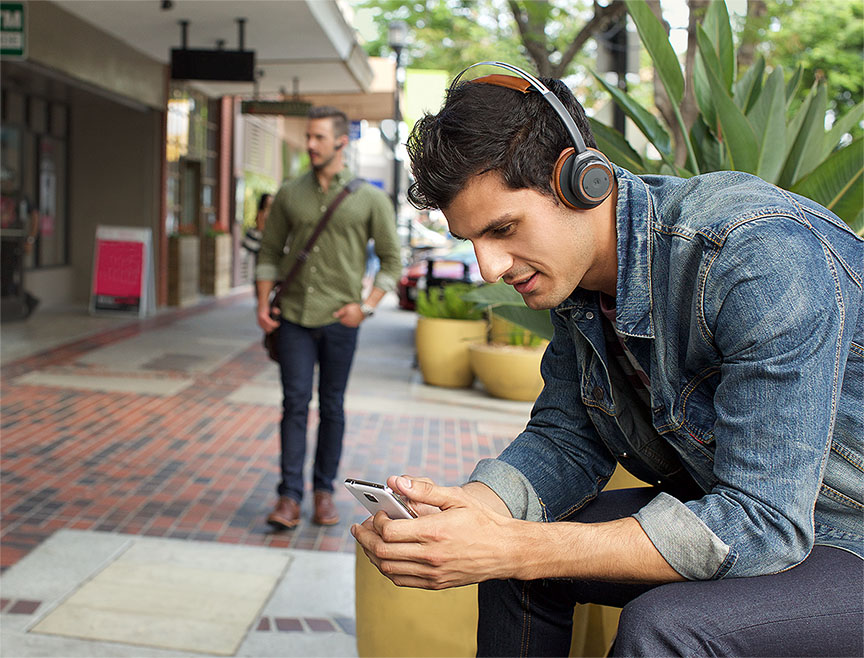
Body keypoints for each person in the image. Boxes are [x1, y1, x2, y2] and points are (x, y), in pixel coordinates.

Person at [352, 63, 863, 656]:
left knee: (663, 626)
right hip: (744, 512)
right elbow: (568, 437)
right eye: (474, 242)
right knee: (512, 564)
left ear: (581, 181)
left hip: (839, 535)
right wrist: (476, 510)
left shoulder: (754, 257)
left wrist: (514, 543)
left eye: (504, 228)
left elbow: (764, 523)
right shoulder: (579, 281)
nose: (490, 267)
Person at [256, 106, 401, 529]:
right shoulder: (289, 194)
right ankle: (288, 497)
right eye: (309, 136)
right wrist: (262, 304)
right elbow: (269, 253)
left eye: (319, 137)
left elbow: (393, 260)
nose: (311, 144)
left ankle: (323, 492)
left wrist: (367, 307)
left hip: (341, 320)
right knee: (295, 404)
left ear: (342, 141)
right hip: (295, 319)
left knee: (333, 406)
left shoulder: (369, 198)